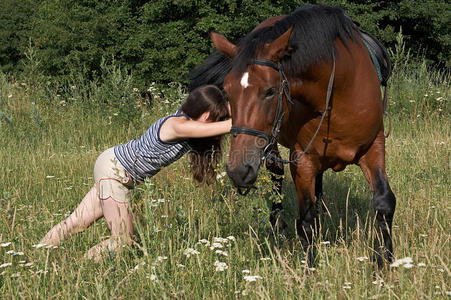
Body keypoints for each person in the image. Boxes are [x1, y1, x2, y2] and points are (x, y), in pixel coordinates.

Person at [40, 85, 231, 261]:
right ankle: (79, 267)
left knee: (76, 223)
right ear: (206, 115)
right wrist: (253, 120)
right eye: (217, 116)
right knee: (122, 241)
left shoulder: (185, 119)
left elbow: (217, 120)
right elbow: (221, 126)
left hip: (111, 165)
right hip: (114, 171)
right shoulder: (176, 125)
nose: (219, 120)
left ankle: (38, 254)